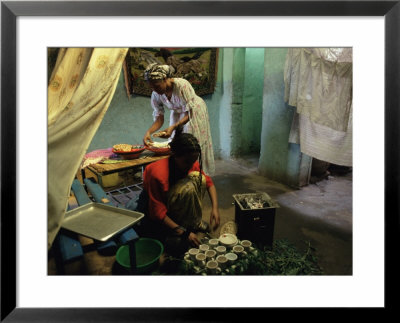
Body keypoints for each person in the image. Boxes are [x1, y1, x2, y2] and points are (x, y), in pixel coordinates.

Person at [138, 126, 220, 254]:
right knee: (177, 246)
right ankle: (183, 225)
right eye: (187, 161)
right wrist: (183, 232)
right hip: (152, 208)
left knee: (199, 179)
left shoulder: (190, 161)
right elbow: (157, 211)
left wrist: (215, 208)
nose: (191, 164)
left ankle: (193, 222)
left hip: (173, 201)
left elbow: (209, 183)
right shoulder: (158, 174)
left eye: (193, 160)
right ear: (174, 155)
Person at [142, 63, 215, 176]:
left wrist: (174, 127)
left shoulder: (182, 85)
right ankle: (181, 173)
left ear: (165, 79)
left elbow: (189, 112)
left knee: (191, 143)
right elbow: (159, 119)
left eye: (156, 86)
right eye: (151, 87)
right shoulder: (156, 94)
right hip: (178, 113)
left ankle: (197, 173)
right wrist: (149, 132)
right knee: (177, 144)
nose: (154, 90)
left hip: (194, 112)